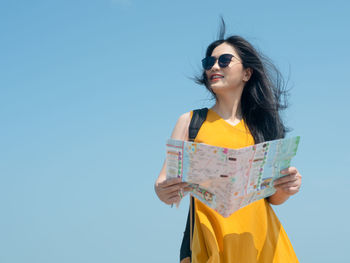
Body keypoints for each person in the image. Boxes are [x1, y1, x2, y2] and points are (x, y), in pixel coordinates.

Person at [154, 23, 302, 263]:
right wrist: (163, 190)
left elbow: (273, 198)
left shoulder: (264, 127)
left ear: (247, 73)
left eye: (224, 60)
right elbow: (164, 187)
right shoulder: (191, 121)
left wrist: (288, 187)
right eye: (208, 63)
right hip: (208, 239)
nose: (214, 66)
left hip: (262, 241)